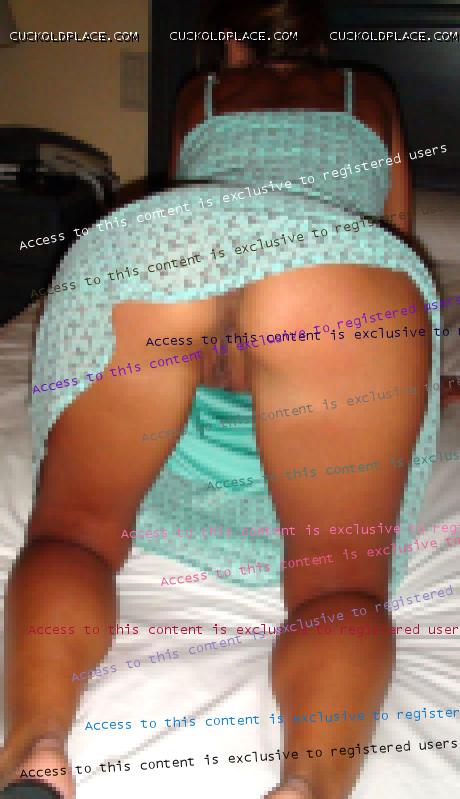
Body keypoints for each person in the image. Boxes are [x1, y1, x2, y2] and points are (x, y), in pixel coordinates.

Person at [1, 2, 441, 797]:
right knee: (337, 581)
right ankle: (306, 783)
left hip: (163, 254)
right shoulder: (368, 92)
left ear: (230, 41)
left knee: (75, 531)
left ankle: (36, 744)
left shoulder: (198, 95)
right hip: (334, 275)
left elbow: (194, 209)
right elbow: (401, 233)